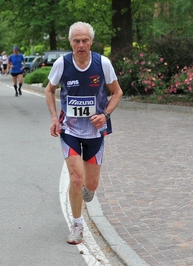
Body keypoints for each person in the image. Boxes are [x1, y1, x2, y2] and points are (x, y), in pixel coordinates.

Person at [45, 21, 123, 245]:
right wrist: (53, 117)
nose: (81, 45)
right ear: (70, 42)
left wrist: (105, 115)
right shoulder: (62, 63)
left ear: (91, 42)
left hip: (95, 131)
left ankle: (85, 193)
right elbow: (49, 91)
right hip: (69, 129)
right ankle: (77, 225)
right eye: (76, 41)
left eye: (85, 40)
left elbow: (117, 92)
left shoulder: (102, 63)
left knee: (91, 185)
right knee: (76, 179)